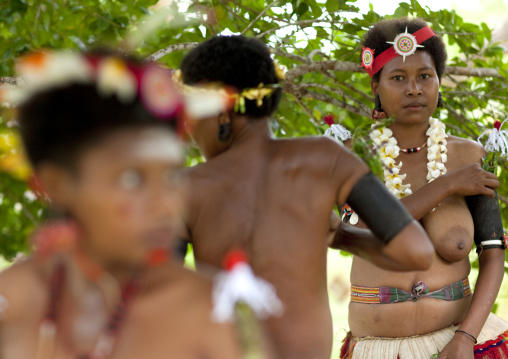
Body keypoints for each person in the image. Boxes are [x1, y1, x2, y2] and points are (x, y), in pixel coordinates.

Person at [176, 35, 436, 359]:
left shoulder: (185, 189)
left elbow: (151, 300)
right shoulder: (325, 159)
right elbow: (416, 251)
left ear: (221, 110)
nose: (187, 126)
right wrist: (341, 235)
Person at [0, 50, 244, 358]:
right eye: (132, 179)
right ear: (56, 184)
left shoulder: (212, 312)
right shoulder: (9, 305)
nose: (165, 205)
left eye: (171, 176)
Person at [339, 17, 507, 359]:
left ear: (439, 82)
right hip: (379, 349)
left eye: (424, 77)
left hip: (462, 345)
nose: (413, 89)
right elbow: (359, 228)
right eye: (398, 78)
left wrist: (465, 338)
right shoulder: (353, 157)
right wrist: (447, 185)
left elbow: (493, 254)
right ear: (376, 87)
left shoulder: (471, 156)